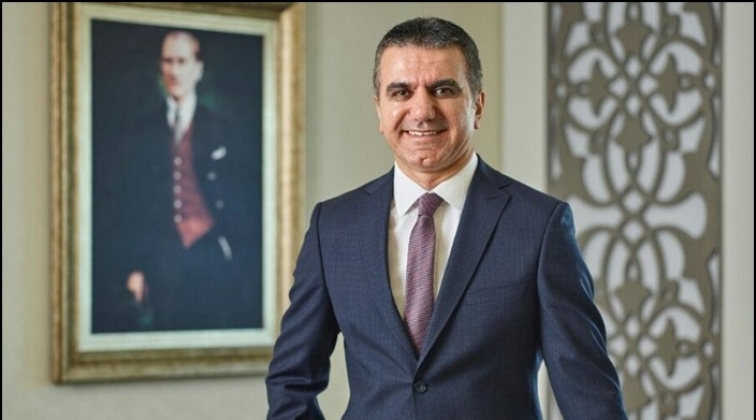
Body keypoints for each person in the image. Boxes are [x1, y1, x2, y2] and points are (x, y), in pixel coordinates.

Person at [265, 17, 628, 419]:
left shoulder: (539, 226)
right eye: (401, 92)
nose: (422, 110)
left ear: (478, 105)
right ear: (379, 109)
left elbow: (589, 395)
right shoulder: (333, 227)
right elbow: (291, 381)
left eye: (443, 89)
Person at [92, 30, 263, 332]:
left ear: (198, 68)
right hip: (159, 256)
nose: (174, 70)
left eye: (182, 61)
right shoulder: (140, 130)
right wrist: (134, 268)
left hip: (211, 252)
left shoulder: (224, 129)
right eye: (167, 61)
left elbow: (245, 204)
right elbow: (127, 205)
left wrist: (234, 254)